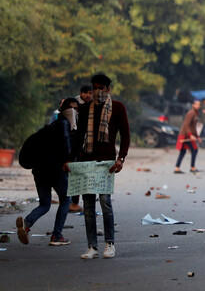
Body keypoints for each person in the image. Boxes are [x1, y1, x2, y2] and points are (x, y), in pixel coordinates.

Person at [75, 73, 130, 259]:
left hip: (107, 163)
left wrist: (121, 158)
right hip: (86, 162)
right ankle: (92, 246)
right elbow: (77, 137)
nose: (97, 91)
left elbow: (125, 135)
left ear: (108, 89)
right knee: (88, 206)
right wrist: (69, 160)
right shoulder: (85, 110)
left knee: (105, 203)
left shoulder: (118, 108)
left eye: (101, 88)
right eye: (94, 88)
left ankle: (110, 244)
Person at [16, 98, 78, 247]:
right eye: (70, 108)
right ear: (63, 110)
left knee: (45, 204)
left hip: (39, 171)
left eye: (75, 108)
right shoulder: (64, 125)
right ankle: (57, 235)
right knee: (66, 199)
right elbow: (65, 145)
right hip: (55, 170)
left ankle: (26, 223)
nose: (73, 111)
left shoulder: (50, 127)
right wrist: (68, 159)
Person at [70, 85, 93, 213]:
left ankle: (82, 203)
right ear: (81, 93)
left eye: (90, 93)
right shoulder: (75, 105)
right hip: (76, 145)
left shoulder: (93, 106)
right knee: (76, 175)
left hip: (88, 145)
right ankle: (74, 203)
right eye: (86, 93)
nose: (88, 95)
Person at [174, 100, 201, 174]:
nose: (198, 106)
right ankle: (192, 167)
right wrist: (191, 135)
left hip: (189, 134)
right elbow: (186, 125)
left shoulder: (196, 113)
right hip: (186, 135)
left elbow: (193, 127)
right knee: (194, 150)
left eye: (199, 104)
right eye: (196, 104)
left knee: (183, 152)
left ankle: (177, 168)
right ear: (193, 105)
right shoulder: (191, 113)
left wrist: (197, 136)